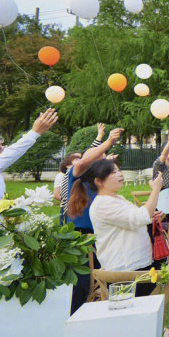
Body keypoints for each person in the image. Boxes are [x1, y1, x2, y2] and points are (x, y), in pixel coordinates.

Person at [66, 126, 125, 313]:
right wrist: (107, 141)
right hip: (80, 238)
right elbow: (85, 160)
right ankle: (75, 316)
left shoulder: (99, 183)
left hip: (101, 236)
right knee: (82, 283)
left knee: (106, 278)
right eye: (99, 157)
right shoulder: (76, 174)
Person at [78, 163, 162, 296]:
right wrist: (156, 189)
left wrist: (150, 215)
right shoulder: (103, 204)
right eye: (113, 172)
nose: (120, 174)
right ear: (99, 181)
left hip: (138, 265)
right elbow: (138, 218)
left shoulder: (117, 198)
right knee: (132, 312)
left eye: (119, 170)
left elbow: (132, 219)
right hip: (125, 269)